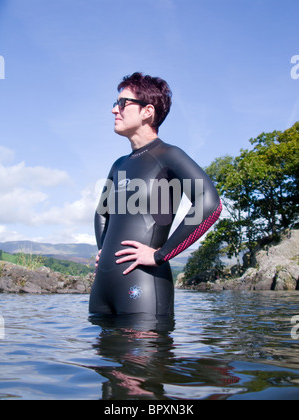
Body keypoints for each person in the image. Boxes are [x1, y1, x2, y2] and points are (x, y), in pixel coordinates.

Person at [89, 72, 222, 316]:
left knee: (147, 356)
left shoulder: (169, 156)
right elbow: (101, 214)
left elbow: (210, 204)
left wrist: (161, 255)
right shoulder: (119, 164)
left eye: (122, 103)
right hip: (101, 290)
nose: (114, 110)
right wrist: (102, 251)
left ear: (147, 111)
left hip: (143, 286)